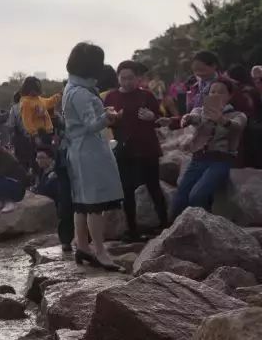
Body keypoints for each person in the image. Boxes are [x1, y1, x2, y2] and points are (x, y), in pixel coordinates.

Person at [62, 42, 125, 272]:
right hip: (89, 151)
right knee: (95, 204)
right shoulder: (81, 92)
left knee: (82, 203)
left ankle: (83, 246)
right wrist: (109, 116)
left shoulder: (71, 87)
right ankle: (99, 251)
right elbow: (91, 124)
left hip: (77, 149)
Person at [104, 60, 169, 239]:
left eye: (131, 78)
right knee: (126, 190)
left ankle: (165, 224)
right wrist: (113, 119)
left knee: (153, 187)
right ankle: (132, 229)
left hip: (147, 148)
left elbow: (160, 118)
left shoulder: (147, 96)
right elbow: (106, 121)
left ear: (137, 78)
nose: (127, 82)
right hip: (124, 150)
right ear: (118, 78)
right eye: (123, 78)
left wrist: (152, 116)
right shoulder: (111, 97)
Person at [165, 79, 248, 218]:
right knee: (179, 200)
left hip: (221, 160)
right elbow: (195, 118)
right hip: (198, 159)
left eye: (221, 92)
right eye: (212, 91)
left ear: (229, 96)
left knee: (197, 195)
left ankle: (205, 228)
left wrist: (220, 119)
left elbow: (237, 126)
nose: (216, 95)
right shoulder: (200, 111)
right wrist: (188, 118)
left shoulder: (238, 115)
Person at [33, 145, 74, 252]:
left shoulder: (55, 175)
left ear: (50, 159)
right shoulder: (43, 172)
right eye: (37, 158)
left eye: (42, 157)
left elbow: (48, 191)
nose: (39, 160)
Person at [16, 76, 60, 172]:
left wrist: (57, 96)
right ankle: (38, 178)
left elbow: (48, 102)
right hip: (39, 135)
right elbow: (27, 121)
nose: (36, 91)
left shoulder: (38, 99)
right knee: (39, 160)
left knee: (50, 157)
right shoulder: (26, 102)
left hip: (48, 133)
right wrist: (35, 135)